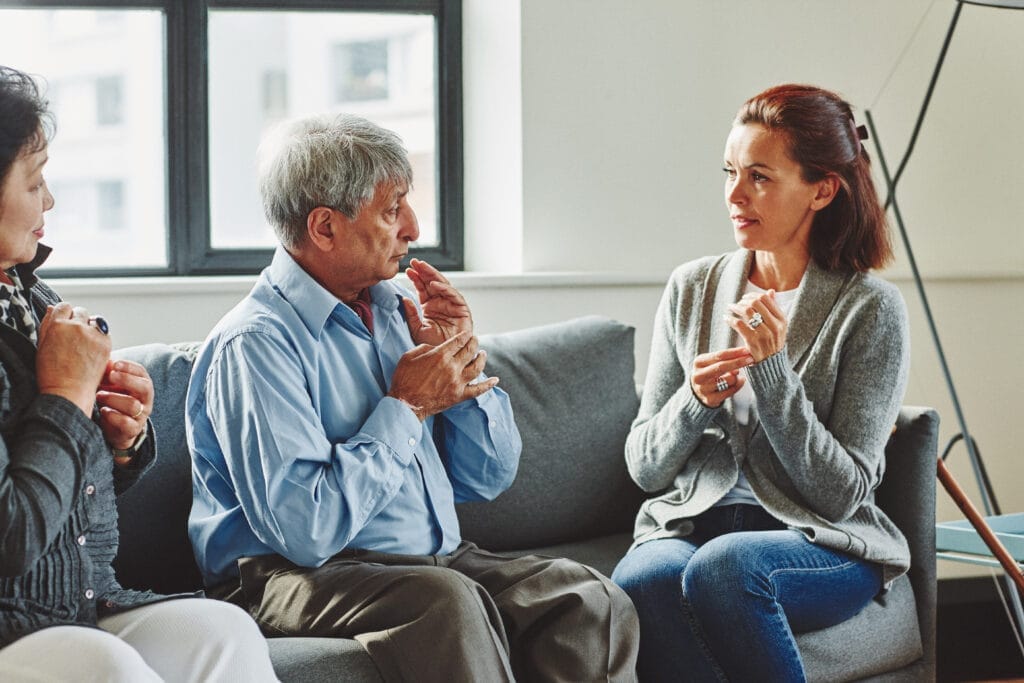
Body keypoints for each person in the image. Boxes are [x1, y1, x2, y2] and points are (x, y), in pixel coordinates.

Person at [185, 111, 640, 683]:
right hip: (286, 576)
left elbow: (487, 479)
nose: (414, 228)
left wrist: (462, 363)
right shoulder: (255, 344)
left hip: (432, 562)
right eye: (392, 208)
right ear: (325, 228)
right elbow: (305, 532)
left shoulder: (398, 307)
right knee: (444, 601)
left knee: (587, 599)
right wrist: (406, 408)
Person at [611, 83, 911, 682]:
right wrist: (694, 402)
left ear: (822, 189)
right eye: (729, 172)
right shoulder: (692, 287)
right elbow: (645, 468)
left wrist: (772, 373)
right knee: (644, 576)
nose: (734, 195)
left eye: (761, 177)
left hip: (822, 540)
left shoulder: (870, 309)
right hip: (696, 522)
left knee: (727, 568)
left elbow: (841, 493)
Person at [0, 66, 279, 682]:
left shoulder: (31, 296)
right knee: (105, 666)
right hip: (13, 625)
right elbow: (12, 536)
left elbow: (67, 487)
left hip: (84, 603)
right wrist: (68, 395)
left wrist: (119, 440)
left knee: (224, 632)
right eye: (35, 181)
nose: (49, 202)